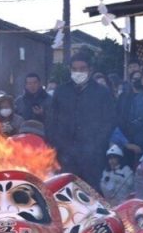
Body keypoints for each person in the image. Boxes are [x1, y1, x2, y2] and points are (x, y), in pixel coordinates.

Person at [47, 52, 120, 191]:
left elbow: (109, 121)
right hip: (65, 155)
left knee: (90, 193)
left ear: (90, 70)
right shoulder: (61, 91)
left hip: (92, 156)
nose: (78, 72)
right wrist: (58, 145)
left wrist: (96, 144)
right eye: (74, 69)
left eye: (82, 69)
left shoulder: (102, 93)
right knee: (66, 192)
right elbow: (51, 121)